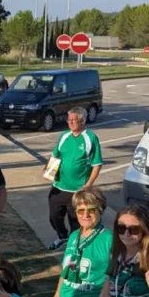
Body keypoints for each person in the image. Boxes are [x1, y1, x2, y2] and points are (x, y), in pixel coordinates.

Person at [47, 107, 103, 251]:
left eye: (74, 120)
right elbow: (55, 156)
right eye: (69, 119)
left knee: (76, 222)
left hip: (77, 191)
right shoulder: (64, 136)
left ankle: (74, 245)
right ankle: (62, 236)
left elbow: (96, 164)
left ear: (83, 120)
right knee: (54, 216)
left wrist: (88, 185)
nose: (70, 123)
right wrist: (49, 172)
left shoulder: (90, 138)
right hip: (59, 187)